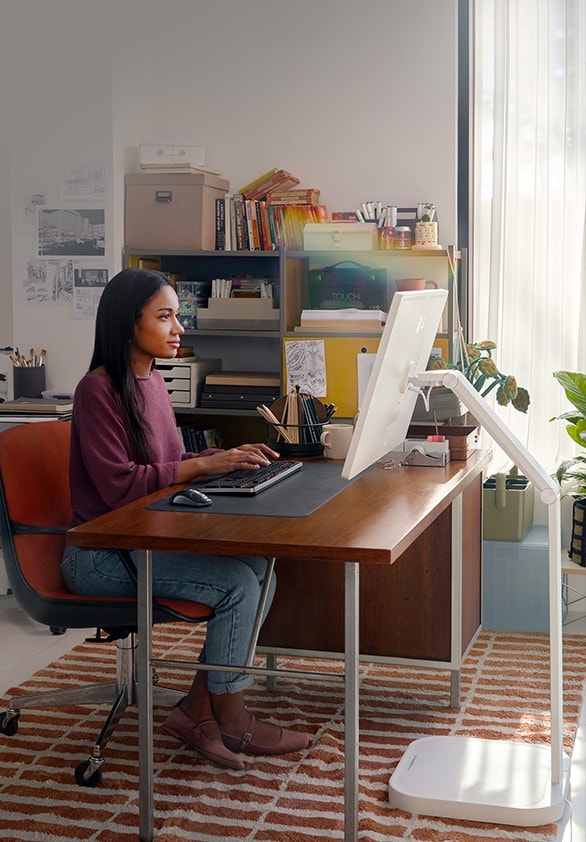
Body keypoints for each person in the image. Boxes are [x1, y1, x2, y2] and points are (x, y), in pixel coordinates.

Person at [61, 268, 310, 771]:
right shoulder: (98, 390)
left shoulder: (150, 381)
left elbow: (168, 465)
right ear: (128, 324)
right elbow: (119, 487)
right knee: (238, 585)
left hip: (142, 541)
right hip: (99, 555)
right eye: (165, 316)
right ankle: (232, 718)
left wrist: (223, 457)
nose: (179, 328)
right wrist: (202, 465)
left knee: (260, 568)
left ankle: (198, 708)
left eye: (179, 315)